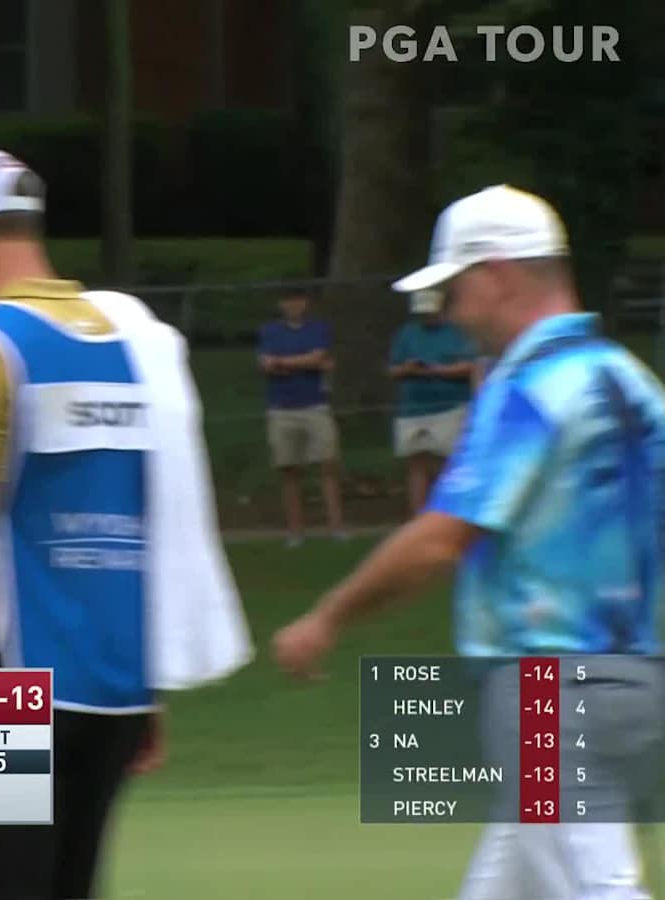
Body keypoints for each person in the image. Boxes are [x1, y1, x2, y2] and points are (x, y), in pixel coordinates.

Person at [0, 146, 249, 900]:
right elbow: (152, 518)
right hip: (111, 687)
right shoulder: (134, 344)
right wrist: (147, 686)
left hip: (1, 681)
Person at [274, 184, 665, 899]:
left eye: (454, 290)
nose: (450, 312)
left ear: (497, 274)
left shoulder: (528, 389)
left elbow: (439, 540)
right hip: (641, 690)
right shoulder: (632, 383)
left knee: (599, 890)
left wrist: (327, 617)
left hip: (548, 695)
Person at [257, 291, 346, 546]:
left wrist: (283, 363)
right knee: (289, 470)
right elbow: (266, 364)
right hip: (281, 408)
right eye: (288, 300)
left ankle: (336, 528)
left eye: (297, 300)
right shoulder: (270, 332)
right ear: (280, 303)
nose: (293, 305)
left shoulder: (317, 329)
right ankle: (296, 531)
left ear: (306, 303)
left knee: (327, 464)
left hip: (315, 405)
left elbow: (318, 357)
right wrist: (305, 363)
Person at [388, 288, 478, 515]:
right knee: (416, 464)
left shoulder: (456, 332)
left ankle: (450, 513)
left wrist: (437, 370)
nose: (427, 318)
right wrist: (407, 369)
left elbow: (468, 366)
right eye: (423, 314)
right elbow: (393, 369)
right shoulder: (407, 333)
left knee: (449, 464)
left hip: (449, 406)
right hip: (412, 408)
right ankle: (419, 516)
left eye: (430, 313)